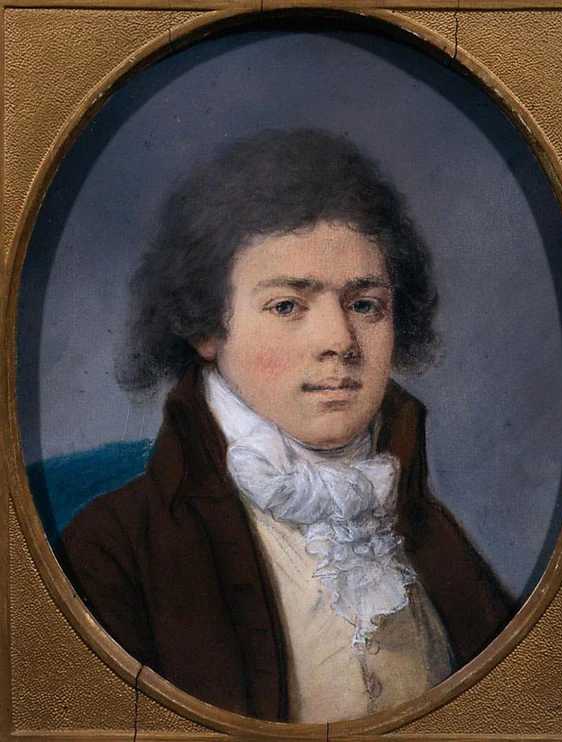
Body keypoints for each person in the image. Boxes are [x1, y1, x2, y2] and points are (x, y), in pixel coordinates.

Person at [60, 129, 514, 723]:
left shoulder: (425, 525)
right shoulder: (113, 547)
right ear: (206, 327)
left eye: (364, 304)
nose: (340, 341)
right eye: (287, 306)